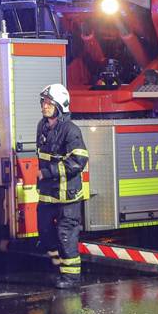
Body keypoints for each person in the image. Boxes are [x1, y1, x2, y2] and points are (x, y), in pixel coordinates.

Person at [36, 83, 90, 290]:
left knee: (66, 235)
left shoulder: (71, 130)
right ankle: (59, 269)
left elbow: (78, 161)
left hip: (68, 195)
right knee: (45, 232)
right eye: (43, 102)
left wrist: (48, 172)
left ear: (60, 105)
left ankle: (71, 278)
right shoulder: (42, 126)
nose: (44, 106)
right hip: (48, 194)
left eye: (49, 103)